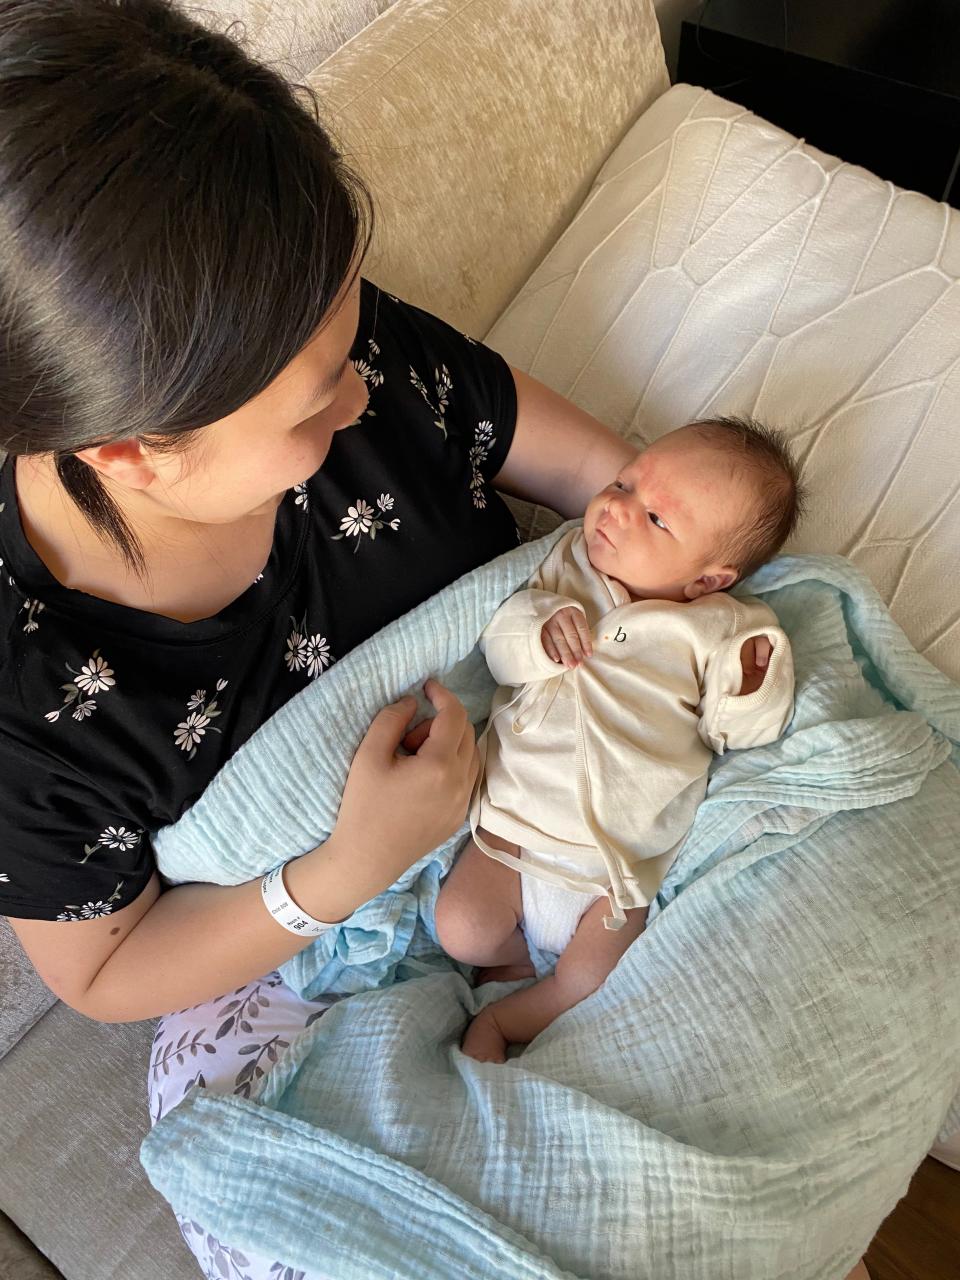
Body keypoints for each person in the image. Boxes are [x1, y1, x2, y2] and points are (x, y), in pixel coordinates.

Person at [0, 5, 882, 1278]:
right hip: (304, 946)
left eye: (356, 335)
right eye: (319, 397)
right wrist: (350, 863)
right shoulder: (36, 701)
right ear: (136, 450)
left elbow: (586, 468)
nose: (366, 388)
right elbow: (108, 968)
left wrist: (674, 580)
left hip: (565, 812)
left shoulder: (339, 343)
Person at [434, 420, 800, 1062]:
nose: (618, 508)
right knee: (459, 929)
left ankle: (512, 1018)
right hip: (513, 829)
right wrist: (539, 631)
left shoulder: (724, 630)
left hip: (616, 866)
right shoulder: (564, 564)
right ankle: (515, 961)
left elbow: (740, 732)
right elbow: (498, 643)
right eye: (623, 482)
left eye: (656, 518)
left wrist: (752, 684)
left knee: (596, 979)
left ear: (710, 580)